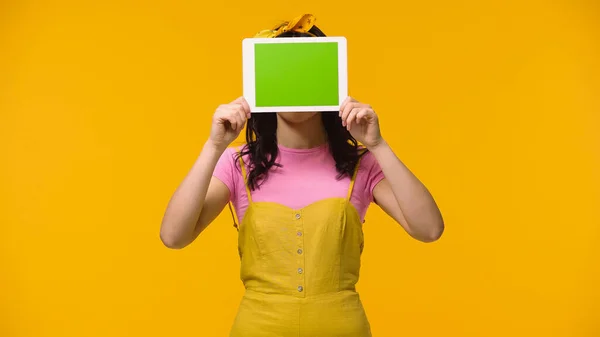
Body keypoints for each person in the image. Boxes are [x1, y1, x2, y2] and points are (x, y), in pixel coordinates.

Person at [160, 14, 444, 337]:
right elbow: (173, 236)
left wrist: (378, 144)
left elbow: (430, 228)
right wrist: (213, 146)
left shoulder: (361, 164)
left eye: (306, 71)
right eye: (284, 73)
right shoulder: (237, 164)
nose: (295, 83)